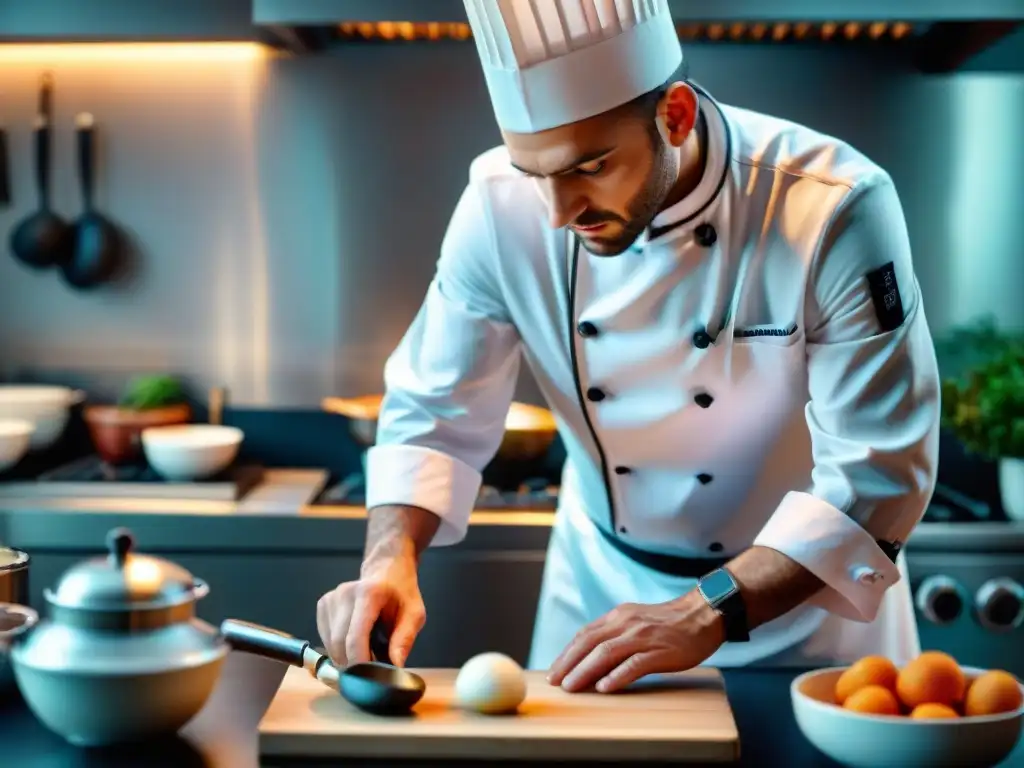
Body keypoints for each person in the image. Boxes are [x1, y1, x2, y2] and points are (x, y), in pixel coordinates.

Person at [316, 0, 941, 694]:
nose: (558, 212)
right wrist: (388, 557)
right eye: (536, 175)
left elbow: (880, 476)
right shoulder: (496, 205)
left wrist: (703, 612)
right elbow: (433, 412)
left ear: (675, 115)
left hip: (809, 622)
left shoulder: (831, 207)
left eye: (589, 166)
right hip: (599, 606)